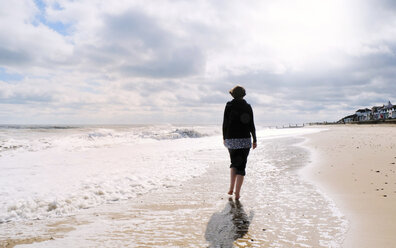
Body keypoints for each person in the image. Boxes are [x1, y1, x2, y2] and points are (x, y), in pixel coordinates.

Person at [222, 85, 257, 200]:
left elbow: (225, 123)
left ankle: (231, 188)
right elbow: (251, 124)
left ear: (232, 94)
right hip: (245, 140)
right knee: (241, 166)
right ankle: (237, 193)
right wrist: (255, 139)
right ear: (243, 94)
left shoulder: (229, 105)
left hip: (231, 139)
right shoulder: (247, 106)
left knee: (233, 163)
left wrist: (224, 137)